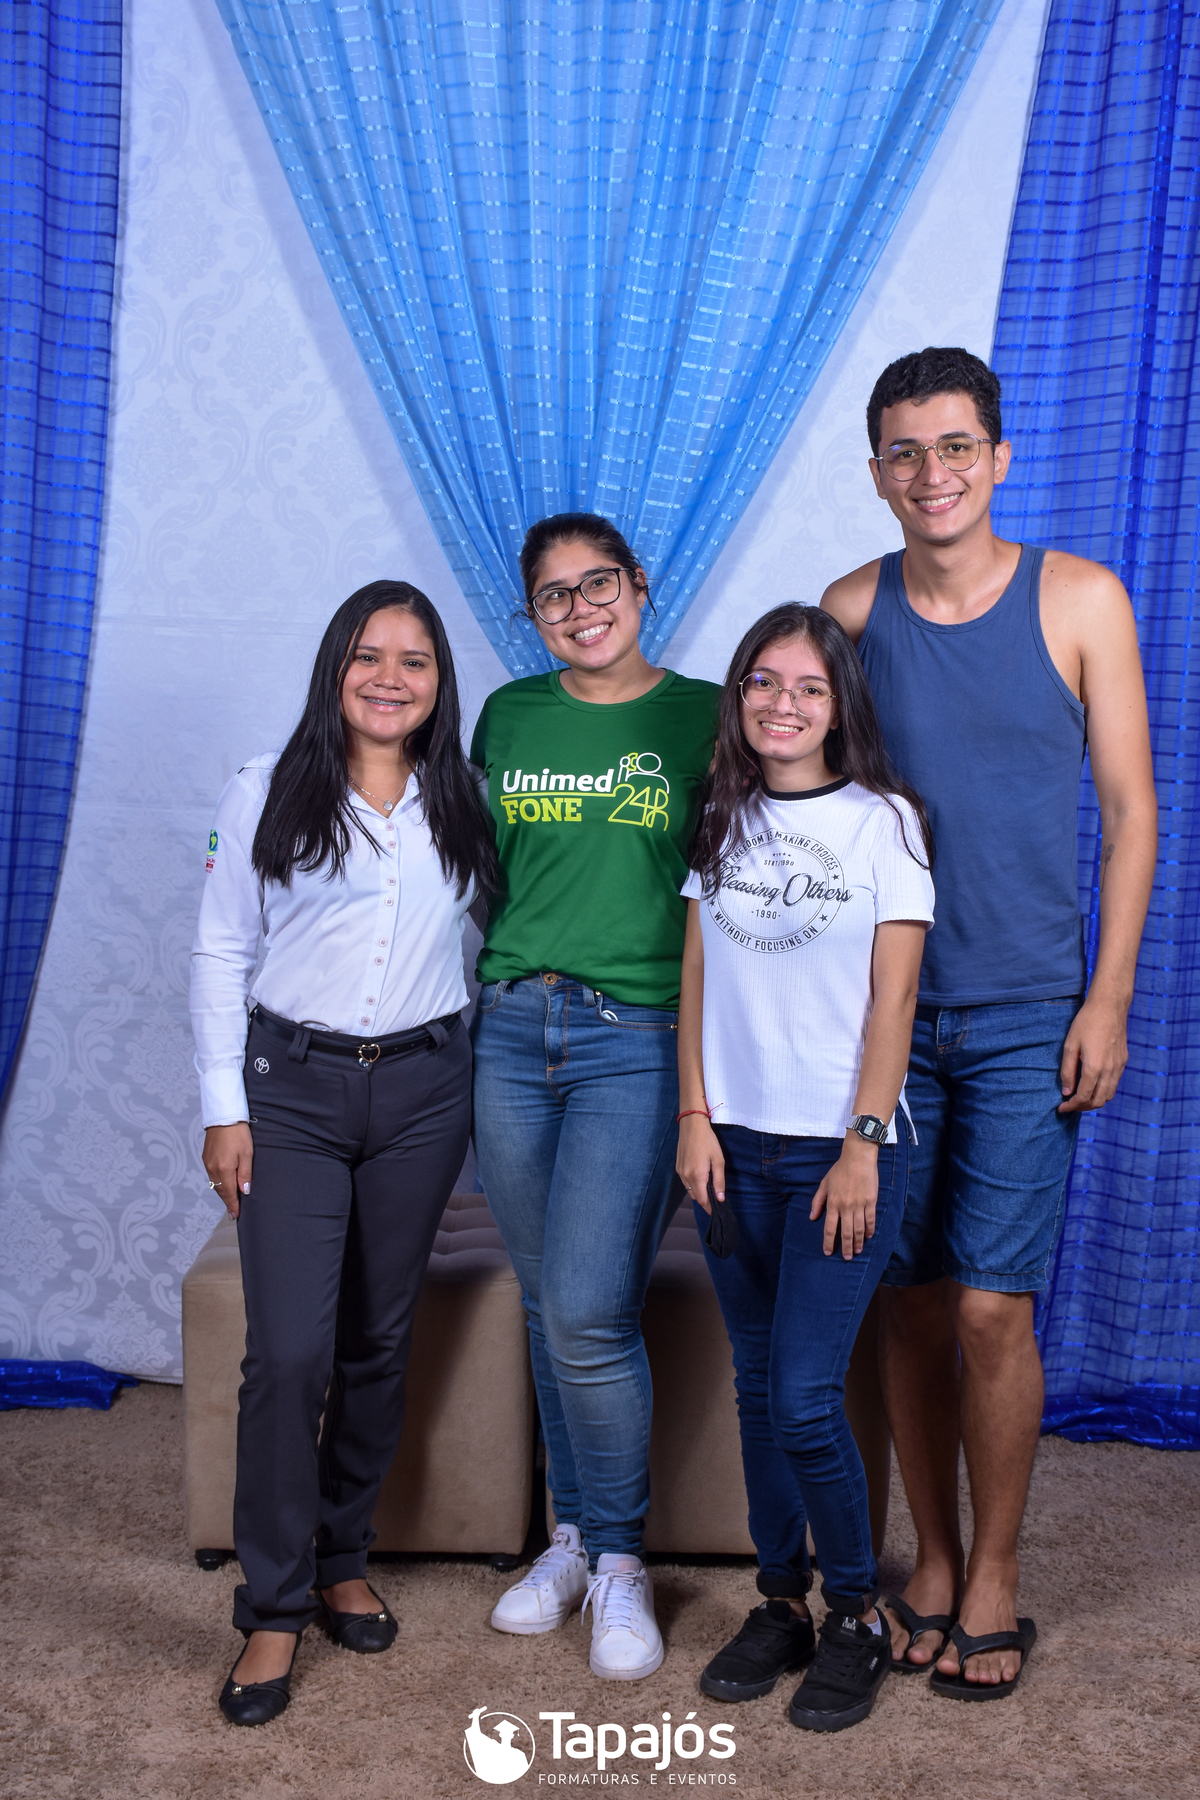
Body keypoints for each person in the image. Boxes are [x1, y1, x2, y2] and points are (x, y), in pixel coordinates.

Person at [821, 346, 1157, 1698]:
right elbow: (813, 819)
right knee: (904, 1307)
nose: (933, 473)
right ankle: (937, 1559)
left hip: (1029, 1012)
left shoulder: (1081, 600)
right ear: (877, 474)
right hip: (887, 1019)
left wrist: (1107, 999)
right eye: (906, 452)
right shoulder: (850, 612)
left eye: (956, 446)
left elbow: (1131, 814)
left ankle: (1000, 1569)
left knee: (989, 1309)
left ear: (999, 458)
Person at [190, 579, 496, 1726]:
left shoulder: (464, 799)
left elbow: (491, 939)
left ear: (438, 684)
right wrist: (225, 1110)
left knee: (377, 1339)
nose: (389, 677)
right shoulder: (266, 788)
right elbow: (221, 953)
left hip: (425, 1092)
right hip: (293, 1095)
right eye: (369, 655)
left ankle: (341, 1558)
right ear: (335, 666)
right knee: (289, 1355)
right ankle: (272, 1606)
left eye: (414, 660)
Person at [470, 512, 720, 1680]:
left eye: (599, 583)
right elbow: (476, 873)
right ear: (533, 614)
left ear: (640, 585)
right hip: (514, 1028)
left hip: (639, 1036)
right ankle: (569, 1540)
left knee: (585, 1308)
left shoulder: (707, 716)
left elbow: (737, 889)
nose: (581, 608)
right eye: (555, 595)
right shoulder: (508, 716)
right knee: (545, 1303)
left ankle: (621, 1559)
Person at [676, 604, 934, 1732]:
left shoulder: (887, 822)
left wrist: (862, 1145)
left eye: (809, 687)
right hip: (730, 1147)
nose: (783, 704)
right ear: (740, 695)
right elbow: (696, 978)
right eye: (764, 682)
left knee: (803, 1395)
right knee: (754, 1385)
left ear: (840, 707)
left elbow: (894, 1001)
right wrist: (693, 1116)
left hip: (840, 1155)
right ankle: (779, 1600)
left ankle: (856, 1614)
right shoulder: (722, 814)